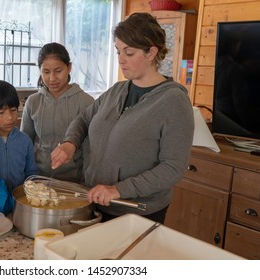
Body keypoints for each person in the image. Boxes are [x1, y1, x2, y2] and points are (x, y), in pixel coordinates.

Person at [51, 13, 195, 224]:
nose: (120, 59)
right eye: (118, 51)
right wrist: (69, 144)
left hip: (136, 213)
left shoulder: (174, 102)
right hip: (94, 201)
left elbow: (172, 168)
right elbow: (83, 119)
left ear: (151, 52)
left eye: (129, 52)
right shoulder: (117, 90)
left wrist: (118, 189)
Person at [21, 42, 94, 183]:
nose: (52, 78)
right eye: (46, 72)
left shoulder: (86, 102)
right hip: (38, 179)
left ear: (69, 68)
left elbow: (91, 148)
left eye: (58, 71)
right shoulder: (33, 102)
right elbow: (25, 142)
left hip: (74, 181)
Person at [0, 80, 38, 193]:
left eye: (13, 110)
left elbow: (31, 174)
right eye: (1, 113)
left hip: (18, 200)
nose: (10, 117)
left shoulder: (24, 140)